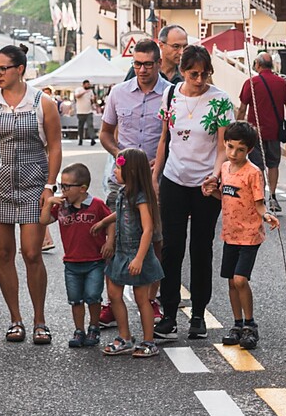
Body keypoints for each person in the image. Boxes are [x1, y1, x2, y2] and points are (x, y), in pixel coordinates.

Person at [153, 44, 232, 341]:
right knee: (172, 248)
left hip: (205, 184)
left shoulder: (220, 101)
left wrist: (214, 177)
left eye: (204, 74)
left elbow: (223, 147)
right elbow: (164, 139)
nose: (199, 79)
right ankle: (169, 314)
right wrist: (156, 176)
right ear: (182, 71)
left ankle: (198, 313)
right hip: (174, 177)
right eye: (193, 73)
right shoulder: (170, 94)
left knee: (201, 248)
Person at [0, 43, 64, 345]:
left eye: (2, 68)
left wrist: (50, 184)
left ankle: (40, 320)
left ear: (20, 69)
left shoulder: (42, 102)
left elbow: (55, 146)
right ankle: (15, 319)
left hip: (34, 185)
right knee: (4, 254)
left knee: (32, 253)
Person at [217, 122, 278, 348]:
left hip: (249, 234)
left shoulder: (253, 173)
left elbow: (259, 204)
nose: (234, 153)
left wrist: (267, 216)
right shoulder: (224, 169)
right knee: (232, 281)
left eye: (240, 149)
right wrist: (212, 191)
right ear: (224, 144)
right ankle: (237, 324)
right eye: (230, 147)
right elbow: (226, 197)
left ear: (249, 150)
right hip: (229, 233)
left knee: (241, 279)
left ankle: (250, 325)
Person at [96, 147, 162, 358]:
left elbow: (148, 229)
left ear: (131, 172)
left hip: (136, 253)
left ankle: (149, 341)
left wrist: (140, 258)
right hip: (121, 253)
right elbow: (121, 213)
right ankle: (124, 337)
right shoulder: (123, 193)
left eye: (118, 167)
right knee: (114, 294)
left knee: (142, 299)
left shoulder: (142, 197)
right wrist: (105, 222)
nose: (115, 170)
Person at [44, 162, 111, 349]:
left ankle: (94, 327)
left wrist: (110, 241)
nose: (63, 191)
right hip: (71, 263)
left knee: (92, 296)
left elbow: (111, 221)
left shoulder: (96, 205)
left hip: (94, 261)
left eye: (66, 186)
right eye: (61, 186)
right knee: (75, 299)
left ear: (82, 189)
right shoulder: (61, 207)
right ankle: (79, 330)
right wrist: (49, 202)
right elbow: (43, 221)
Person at [101, 38, 170, 175]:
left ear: (159, 63)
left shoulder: (172, 94)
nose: (142, 70)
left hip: (157, 175)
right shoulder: (118, 92)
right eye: (137, 64)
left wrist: (161, 159)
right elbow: (105, 133)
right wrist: (118, 154)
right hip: (123, 175)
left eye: (148, 64)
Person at [240, 53, 286, 213]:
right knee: (273, 165)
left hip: (254, 133)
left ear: (257, 64)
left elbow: (243, 108)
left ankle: (260, 199)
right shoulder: (281, 83)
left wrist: (236, 130)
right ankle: (272, 196)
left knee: (257, 166)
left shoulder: (251, 83)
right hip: (275, 131)